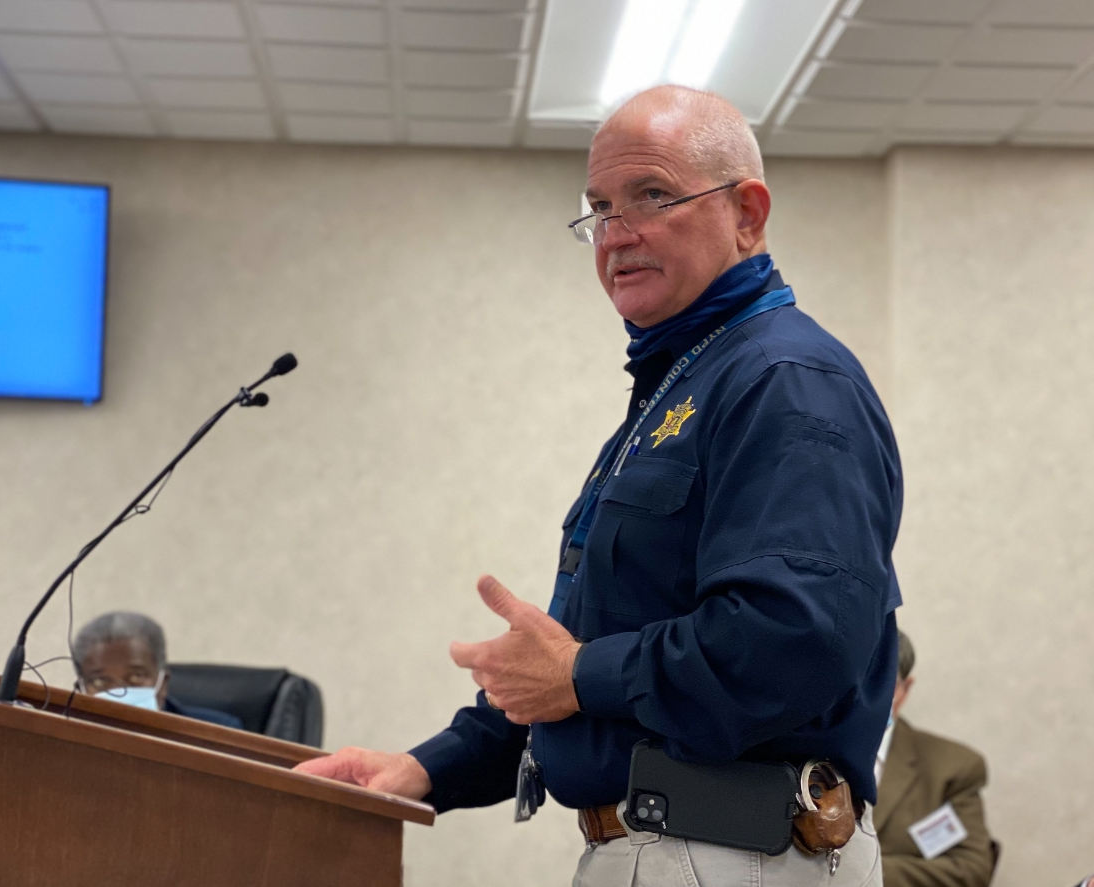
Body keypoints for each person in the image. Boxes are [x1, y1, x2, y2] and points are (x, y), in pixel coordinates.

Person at [297, 85, 903, 886]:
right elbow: (578, 664)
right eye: (599, 208)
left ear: (746, 214)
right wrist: (424, 770)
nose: (616, 235)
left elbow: (794, 640)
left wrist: (580, 673)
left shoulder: (785, 380)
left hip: (737, 852)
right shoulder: (680, 389)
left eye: (651, 196)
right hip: (665, 849)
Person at [876, 631, 996, 886]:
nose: (865, 696)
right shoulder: (799, 754)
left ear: (904, 690)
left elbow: (971, 869)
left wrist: (864, 870)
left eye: (880, 681)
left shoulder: (952, 767)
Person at [72, 611, 242, 730]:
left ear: (164, 682)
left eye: (136, 676)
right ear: (81, 689)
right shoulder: (65, 738)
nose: (119, 691)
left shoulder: (218, 734)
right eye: (100, 681)